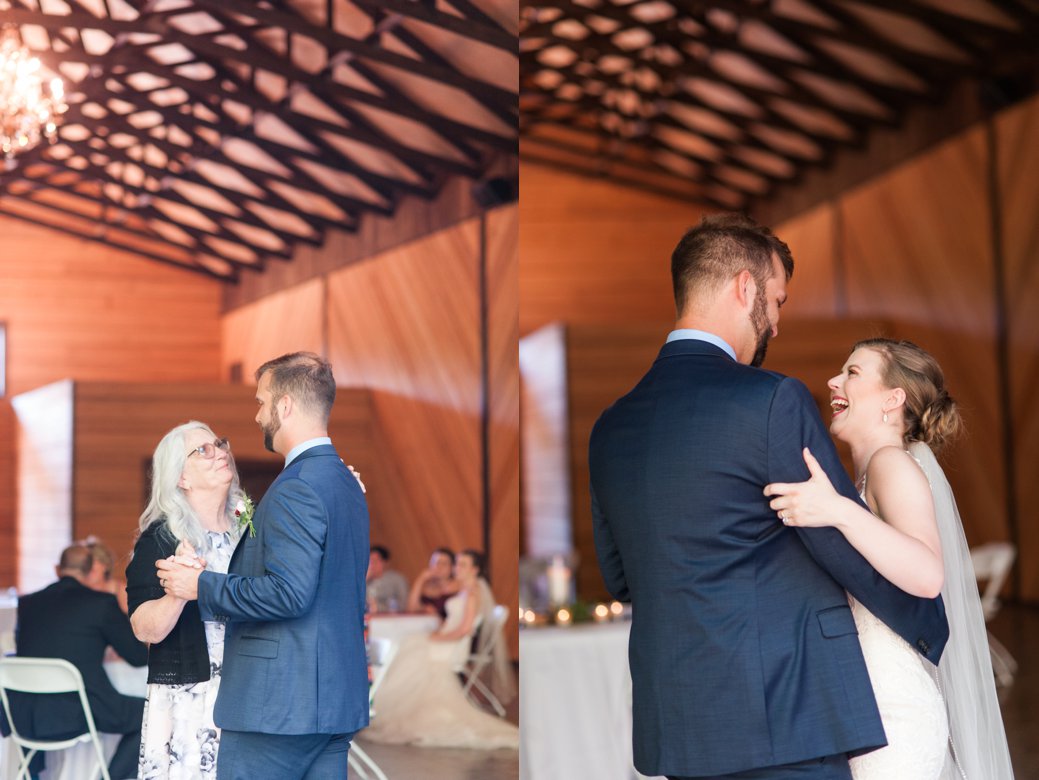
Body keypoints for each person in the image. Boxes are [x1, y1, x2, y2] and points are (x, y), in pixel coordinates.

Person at [589, 214, 949, 780]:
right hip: (785, 711)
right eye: (777, 300)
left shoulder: (610, 426)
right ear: (745, 287)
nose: (776, 324)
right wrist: (923, 628)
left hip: (679, 718)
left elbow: (620, 576)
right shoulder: (771, 399)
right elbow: (834, 542)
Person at [765, 338, 1014, 779]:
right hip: (869, 706)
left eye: (853, 373)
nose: (833, 381)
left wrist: (838, 511)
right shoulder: (870, 473)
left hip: (892, 714)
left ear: (893, 398)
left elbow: (926, 574)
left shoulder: (890, 464)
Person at [156, 352, 369, 780]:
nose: (257, 415)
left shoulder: (297, 488)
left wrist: (203, 585)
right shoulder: (347, 484)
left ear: (285, 406)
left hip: (279, 704)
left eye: (261, 401)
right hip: (334, 699)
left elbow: (290, 593)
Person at [125, 421, 246, 778]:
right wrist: (177, 595)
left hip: (250, 686)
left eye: (220, 444)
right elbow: (145, 630)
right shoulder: (161, 538)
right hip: (193, 695)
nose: (220, 453)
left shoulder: (249, 529)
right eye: (203, 451)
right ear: (181, 478)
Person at [13, 545, 148, 780]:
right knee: (148, 715)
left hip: (26, 715)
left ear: (57, 570)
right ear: (89, 571)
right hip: (80, 711)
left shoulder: (27, 604)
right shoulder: (101, 603)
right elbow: (137, 657)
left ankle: (30, 775)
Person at [362, 549, 518, 749]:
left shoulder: (471, 593)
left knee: (411, 647)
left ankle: (387, 706)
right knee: (410, 644)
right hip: (447, 639)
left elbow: (464, 629)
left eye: (463, 565)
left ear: (475, 570)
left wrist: (438, 636)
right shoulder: (465, 590)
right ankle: (387, 704)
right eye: (457, 564)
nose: (457, 569)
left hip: (453, 646)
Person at [407, 547, 460, 618]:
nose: (439, 567)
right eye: (435, 563)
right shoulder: (426, 586)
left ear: (452, 567)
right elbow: (411, 609)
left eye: (444, 564)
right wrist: (421, 579)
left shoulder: (459, 586)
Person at [83, 536, 130, 613]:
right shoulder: (79, 590)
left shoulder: (120, 590)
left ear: (105, 565)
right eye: (85, 562)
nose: (88, 566)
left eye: (93, 561)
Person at [366, 545, 409, 613]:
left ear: (385, 562)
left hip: (389, 619)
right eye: (369, 561)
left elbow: (404, 604)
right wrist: (365, 580)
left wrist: (379, 607)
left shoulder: (397, 580)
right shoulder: (365, 580)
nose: (372, 565)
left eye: (375, 561)